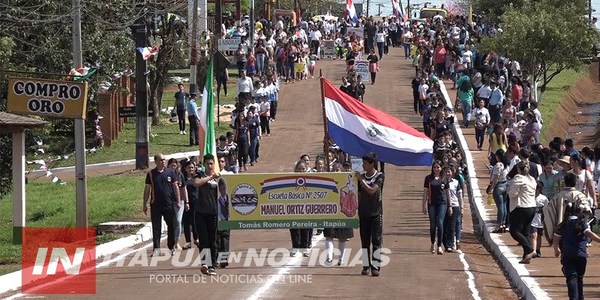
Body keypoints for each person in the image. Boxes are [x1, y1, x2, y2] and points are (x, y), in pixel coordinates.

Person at [553, 202, 600, 300]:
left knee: (571, 277)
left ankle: (573, 298)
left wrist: (556, 249)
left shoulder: (563, 224)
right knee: (580, 278)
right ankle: (580, 297)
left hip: (567, 255)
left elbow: (556, 238)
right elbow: (589, 234)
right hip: (581, 255)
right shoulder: (583, 223)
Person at [143, 154, 181, 257]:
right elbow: (147, 189)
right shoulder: (151, 174)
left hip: (169, 204)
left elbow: (175, 187)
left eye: (164, 160)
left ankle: (171, 247)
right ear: (155, 161)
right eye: (161, 160)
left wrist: (178, 201)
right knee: (156, 227)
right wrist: (144, 204)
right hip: (155, 204)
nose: (163, 161)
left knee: (172, 225)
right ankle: (156, 249)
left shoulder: (170, 172)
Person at [355, 152, 384, 277]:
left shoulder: (380, 176)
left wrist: (361, 180)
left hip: (376, 213)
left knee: (376, 240)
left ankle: (376, 267)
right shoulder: (360, 177)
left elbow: (372, 191)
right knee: (365, 241)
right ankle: (366, 266)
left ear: (372, 164)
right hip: (363, 212)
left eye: (365, 163)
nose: (363, 165)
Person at [193, 154, 222, 276]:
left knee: (212, 240)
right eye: (208, 164)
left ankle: (212, 265)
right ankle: (205, 263)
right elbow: (197, 183)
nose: (210, 166)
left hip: (213, 213)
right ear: (204, 165)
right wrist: (210, 177)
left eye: (211, 164)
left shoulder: (219, 178)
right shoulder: (200, 175)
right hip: (200, 212)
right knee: (203, 239)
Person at [507, 161, 537, 264]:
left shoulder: (518, 178)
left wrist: (508, 191)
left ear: (519, 169)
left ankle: (530, 250)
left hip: (521, 207)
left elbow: (513, 194)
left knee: (514, 231)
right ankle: (526, 256)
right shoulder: (532, 179)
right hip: (532, 207)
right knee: (525, 232)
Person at [423, 160, 447, 255]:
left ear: (441, 168)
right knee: (433, 225)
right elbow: (425, 192)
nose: (436, 169)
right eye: (435, 167)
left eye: (438, 167)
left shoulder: (444, 178)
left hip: (442, 203)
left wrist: (450, 206)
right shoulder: (428, 178)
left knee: (440, 223)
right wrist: (423, 205)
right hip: (431, 203)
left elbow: (447, 192)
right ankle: (433, 243)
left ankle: (439, 246)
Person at [290, 160, 311, 257]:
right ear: (296, 170)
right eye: (299, 169)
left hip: (307, 207)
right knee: (294, 227)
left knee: (305, 227)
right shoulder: (290, 179)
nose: (301, 171)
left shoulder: (311, 178)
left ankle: (304, 247)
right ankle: (295, 247)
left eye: (303, 169)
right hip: (293, 207)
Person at [168, 158, 188, 251]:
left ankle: (177, 242)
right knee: (171, 223)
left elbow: (184, 188)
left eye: (174, 165)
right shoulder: (166, 175)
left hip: (180, 202)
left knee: (178, 221)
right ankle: (171, 243)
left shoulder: (180, 175)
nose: (173, 167)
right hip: (169, 202)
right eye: (171, 165)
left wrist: (187, 202)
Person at [531, 182, 549, 257]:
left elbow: (547, 209)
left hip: (540, 220)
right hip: (532, 220)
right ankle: (533, 250)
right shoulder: (530, 197)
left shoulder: (543, 198)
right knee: (533, 235)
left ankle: (538, 250)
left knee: (539, 236)